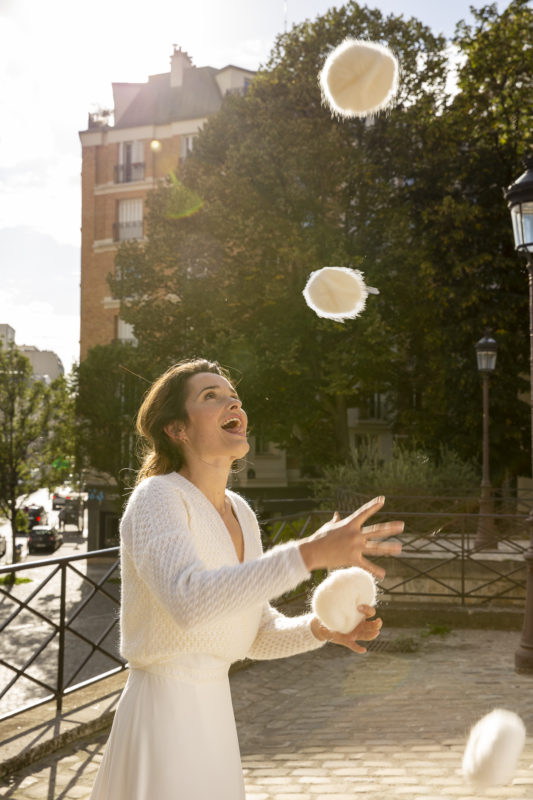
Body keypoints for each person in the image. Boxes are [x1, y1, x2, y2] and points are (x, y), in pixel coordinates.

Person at [88, 358, 403, 800]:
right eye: (210, 396)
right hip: (162, 714)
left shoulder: (242, 512)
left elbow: (254, 632)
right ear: (177, 429)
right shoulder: (157, 497)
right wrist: (307, 554)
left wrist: (320, 629)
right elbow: (189, 601)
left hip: (215, 715)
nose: (232, 401)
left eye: (233, 396)